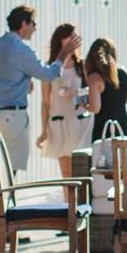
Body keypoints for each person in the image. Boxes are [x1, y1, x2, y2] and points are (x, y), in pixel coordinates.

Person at [0, 4, 80, 177]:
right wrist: (63, 54)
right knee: (8, 173)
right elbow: (50, 75)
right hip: (14, 117)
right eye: (34, 24)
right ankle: (4, 205)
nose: (35, 28)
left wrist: (2, 88)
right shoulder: (23, 51)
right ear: (24, 24)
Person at [36, 23, 92, 176]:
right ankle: (69, 201)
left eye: (76, 36)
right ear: (61, 40)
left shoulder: (84, 65)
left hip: (81, 125)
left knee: (82, 173)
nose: (75, 40)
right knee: (66, 173)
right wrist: (43, 131)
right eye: (71, 37)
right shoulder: (50, 68)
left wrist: (76, 92)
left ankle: (80, 201)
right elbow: (46, 102)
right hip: (59, 124)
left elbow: (94, 92)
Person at [85, 38, 127, 141]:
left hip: (103, 132)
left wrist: (82, 104)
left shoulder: (94, 78)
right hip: (124, 130)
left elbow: (95, 108)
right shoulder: (123, 73)